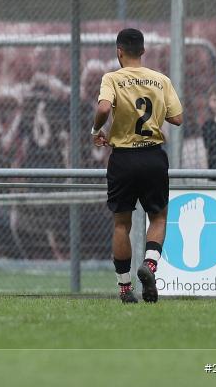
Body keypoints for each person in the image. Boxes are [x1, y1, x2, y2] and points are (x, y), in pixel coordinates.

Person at [91, 28, 183, 304]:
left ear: (119, 51)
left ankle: (124, 287)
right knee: (158, 217)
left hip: (123, 158)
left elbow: (105, 109)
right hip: (153, 156)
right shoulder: (161, 80)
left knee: (121, 224)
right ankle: (150, 266)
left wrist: (96, 129)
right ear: (143, 51)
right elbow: (177, 118)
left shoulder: (112, 78)